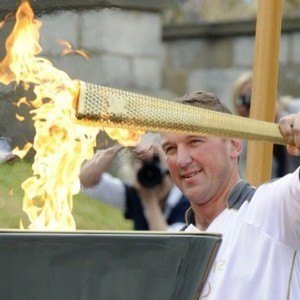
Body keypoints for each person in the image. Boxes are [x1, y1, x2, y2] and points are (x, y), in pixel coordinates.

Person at [158, 91, 299, 299]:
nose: (181, 160)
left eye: (195, 141)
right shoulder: (175, 249)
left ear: (234, 144)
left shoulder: (276, 208)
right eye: (170, 148)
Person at [79, 138, 190, 231]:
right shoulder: (135, 193)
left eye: (156, 164)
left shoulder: (187, 202)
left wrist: (148, 199)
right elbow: (86, 182)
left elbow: (171, 243)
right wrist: (119, 146)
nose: (149, 175)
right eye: (141, 163)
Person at [232, 71, 300, 178]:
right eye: (243, 99)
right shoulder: (245, 139)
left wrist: (277, 115)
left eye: (253, 95)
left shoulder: (296, 110)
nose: (249, 103)